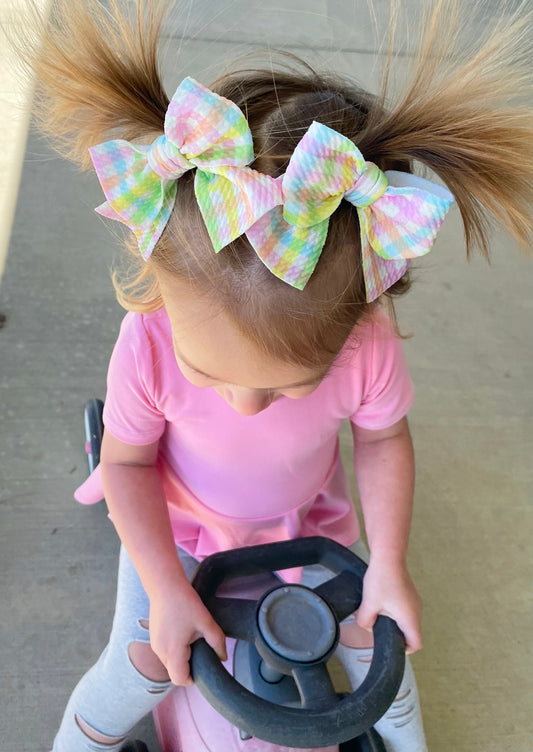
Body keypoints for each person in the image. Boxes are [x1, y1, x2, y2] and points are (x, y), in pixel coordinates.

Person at [17, 0, 531, 750]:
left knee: (380, 649)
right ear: (157, 285)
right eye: (211, 375)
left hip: (308, 534)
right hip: (181, 538)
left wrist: (386, 565)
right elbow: (126, 462)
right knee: (141, 665)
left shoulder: (368, 345)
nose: (246, 406)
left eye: (288, 386)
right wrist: (163, 587)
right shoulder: (149, 343)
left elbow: (383, 440)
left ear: (359, 319)